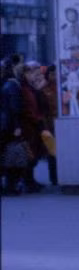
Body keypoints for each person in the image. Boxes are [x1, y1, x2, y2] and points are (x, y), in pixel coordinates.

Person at [18, 61, 49, 192]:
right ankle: (28, 182)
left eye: (36, 71)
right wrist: (37, 119)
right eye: (31, 72)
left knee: (34, 153)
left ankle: (30, 180)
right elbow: (28, 108)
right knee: (30, 153)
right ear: (25, 74)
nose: (35, 74)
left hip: (34, 125)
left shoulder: (31, 87)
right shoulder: (24, 89)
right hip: (29, 126)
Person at [1, 57, 25, 195]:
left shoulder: (6, 84)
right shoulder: (12, 85)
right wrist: (17, 125)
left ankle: (9, 185)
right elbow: (15, 107)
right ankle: (11, 186)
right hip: (9, 125)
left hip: (5, 124)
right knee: (11, 156)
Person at [40, 65, 59, 185]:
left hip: (58, 122)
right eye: (52, 74)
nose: (55, 76)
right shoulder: (44, 89)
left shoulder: (61, 86)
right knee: (52, 152)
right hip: (49, 123)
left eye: (56, 74)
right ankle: (54, 177)